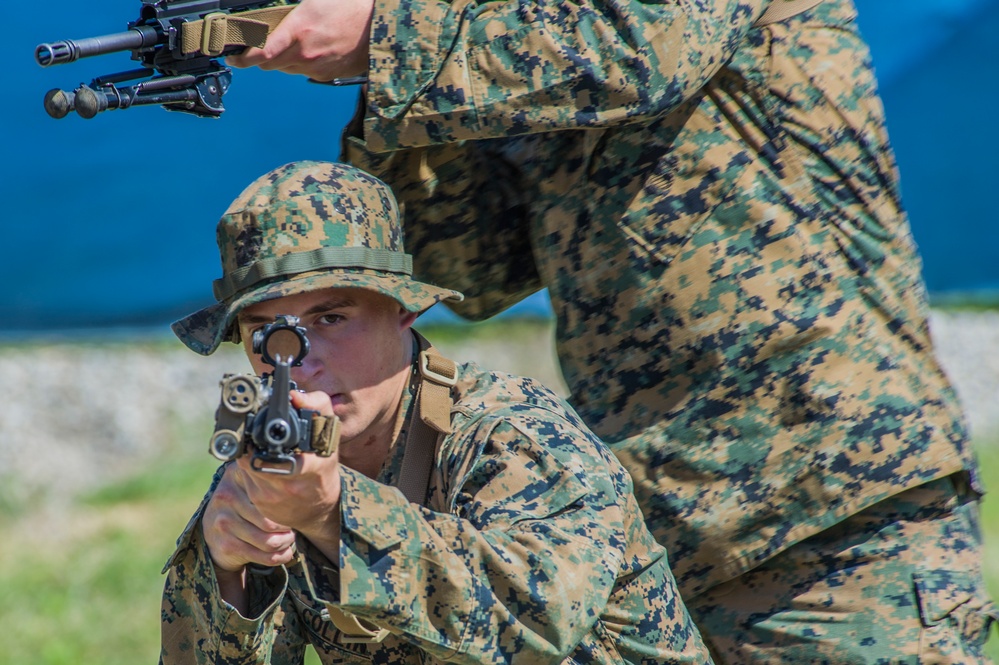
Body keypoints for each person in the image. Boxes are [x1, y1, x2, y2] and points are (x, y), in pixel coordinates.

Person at [226, 0, 998, 660]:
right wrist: (388, 84)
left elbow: (644, 49)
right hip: (652, 533)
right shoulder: (507, 42)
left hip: (829, 498)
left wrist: (391, 33)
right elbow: (469, 266)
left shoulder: (548, 38)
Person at [159, 160, 711, 664]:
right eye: (265, 332)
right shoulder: (276, 467)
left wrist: (335, 518)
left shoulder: (511, 432)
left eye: (330, 318)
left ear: (403, 308)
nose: (301, 362)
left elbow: (537, 625)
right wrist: (228, 577)